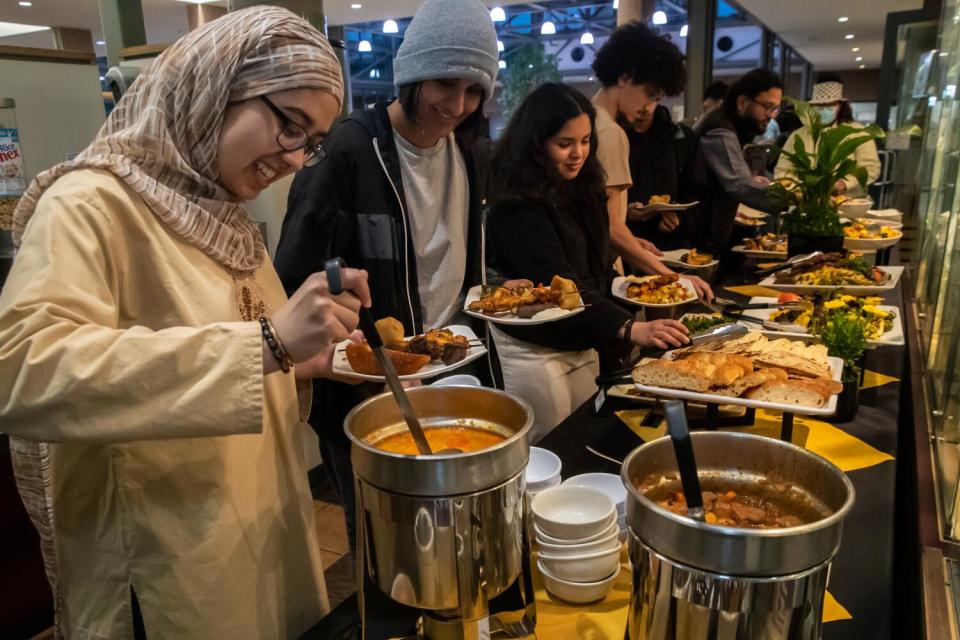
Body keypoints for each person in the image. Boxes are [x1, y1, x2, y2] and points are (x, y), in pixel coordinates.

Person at [0, 7, 371, 638]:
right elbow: (23, 373)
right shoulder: (92, 202)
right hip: (162, 566)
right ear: (214, 88)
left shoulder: (221, 213)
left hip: (254, 532)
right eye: (289, 125)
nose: (292, 157)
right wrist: (269, 343)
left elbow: (240, 357)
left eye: (310, 143)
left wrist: (301, 361)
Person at [274, 0, 498, 558]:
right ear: (413, 72)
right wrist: (351, 341)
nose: (458, 105)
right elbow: (292, 277)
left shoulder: (468, 152)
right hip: (365, 386)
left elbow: (458, 262)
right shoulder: (348, 150)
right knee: (384, 545)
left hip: (452, 364)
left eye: (474, 90)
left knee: (453, 539)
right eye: (446, 82)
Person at [485, 83, 689, 441]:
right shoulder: (517, 204)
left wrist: (642, 286)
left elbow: (595, 270)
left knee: (583, 440)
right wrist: (628, 327)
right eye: (564, 144)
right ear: (535, 144)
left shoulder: (583, 187)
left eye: (585, 140)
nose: (578, 153)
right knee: (552, 449)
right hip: (535, 349)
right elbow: (561, 286)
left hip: (583, 336)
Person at [590, 21, 713, 300]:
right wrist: (672, 277)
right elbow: (609, 227)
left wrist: (633, 241)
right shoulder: (609, 132)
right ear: (625, 77)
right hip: (602, 275)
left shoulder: (580, 119)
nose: (648, 108)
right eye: (650, 95)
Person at [690, 68, 785, 260]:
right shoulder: (719, 130)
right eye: (767, 107)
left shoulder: (731, 126)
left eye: (775, 109)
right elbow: (739, 184)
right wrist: (794, 202)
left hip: (709, 234)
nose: (771, 115)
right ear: (742, 102)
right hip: (699, 240)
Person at [774, 73, 881, 198]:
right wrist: (798, 190)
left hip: (846, 203)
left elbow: (870, 168)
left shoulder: (857, 132)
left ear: (840, 106)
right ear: (812, 106)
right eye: (819, 105)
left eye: (829, 105)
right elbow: (783, 170)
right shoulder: (799, 135)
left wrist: (843, 184)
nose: (824, 109)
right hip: (805, 203)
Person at [623, 104, 698, 250]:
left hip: (672, 245)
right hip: (625, 243)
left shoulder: (681, 137)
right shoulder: (614, 135)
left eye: (652, 97)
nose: (644, 106)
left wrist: (680, 219)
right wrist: (624, 213)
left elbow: (698, 190)